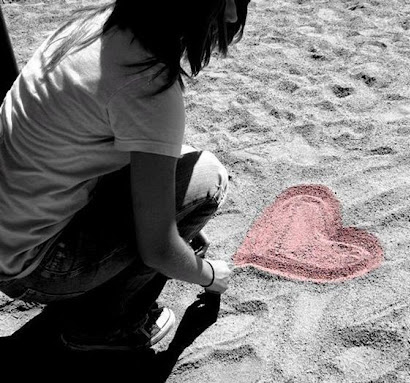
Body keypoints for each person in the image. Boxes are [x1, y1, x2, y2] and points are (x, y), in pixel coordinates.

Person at [0, 0, 249, 351]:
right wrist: (210, 274)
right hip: (35, 268)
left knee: (176, 160)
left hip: (12, 232)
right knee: (208, 177)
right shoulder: (149, 85)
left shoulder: (90, 27)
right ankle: (106, 324)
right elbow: (159, 250)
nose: (232, 15)